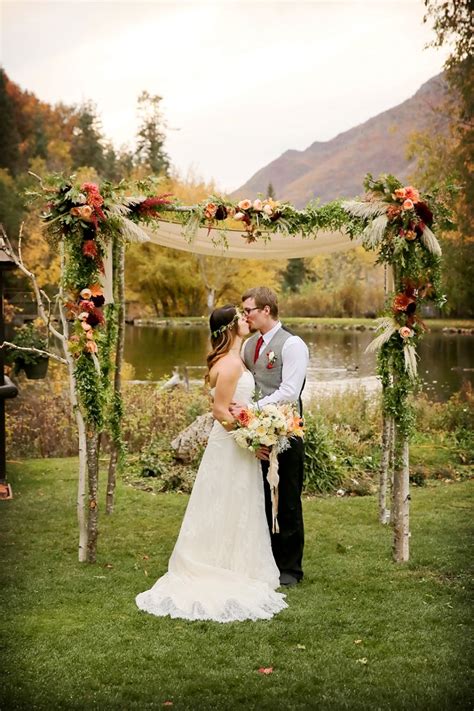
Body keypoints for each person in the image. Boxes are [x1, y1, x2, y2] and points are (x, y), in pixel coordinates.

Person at [136, 305, 287, 622]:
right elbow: (219, 411)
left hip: (230, 443)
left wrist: (250, 423)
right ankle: (219, 565)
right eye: (241, 319)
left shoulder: (232, 360)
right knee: (227, 500)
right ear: (230, 327)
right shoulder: (231, 363)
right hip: (230, 445)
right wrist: (249, 439)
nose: (246, 321)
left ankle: (235, 561)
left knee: (233, 502)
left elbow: (228, 407)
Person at [232, 287, 308, 587]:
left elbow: (290, 391)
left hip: (288, 431)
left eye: (248, 309)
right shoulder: (249, 346)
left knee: (287, 499)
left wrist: (251, 409)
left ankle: (290, 568)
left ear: (266, 310)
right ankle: (265, 561)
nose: (245, 315)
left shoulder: (292, 344)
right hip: (256, 433)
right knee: (260, 498)